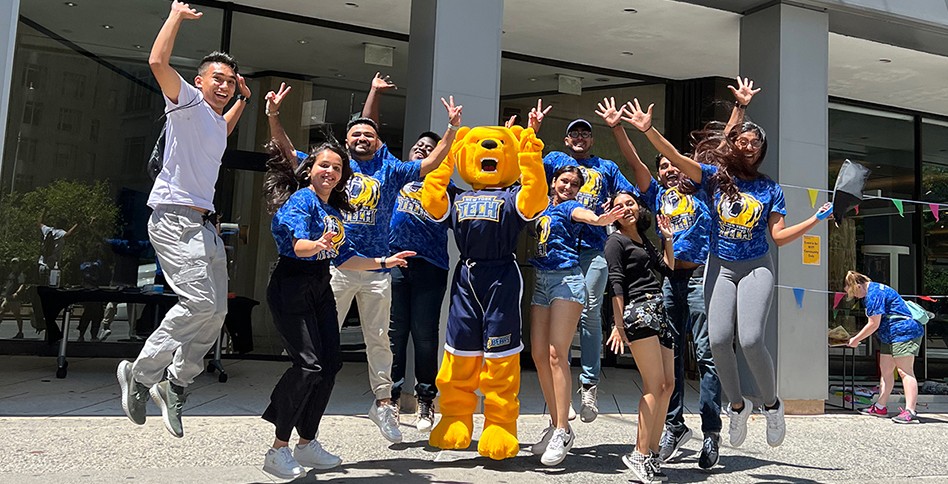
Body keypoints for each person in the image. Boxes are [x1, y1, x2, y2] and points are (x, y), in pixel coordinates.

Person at [622, 93, 834, 452]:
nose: (749, 147)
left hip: (756, 267)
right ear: (732, 145)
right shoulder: (712, 179)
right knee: (718, 341)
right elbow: (674, 157)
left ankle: (772, 405)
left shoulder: (769, 188)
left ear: (761, 150)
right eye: (743, 140)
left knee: (750, 339)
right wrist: (648, 131)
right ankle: (737, 406)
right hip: (720, 265)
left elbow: (778, 238)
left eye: (756, 143)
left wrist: (816, 219)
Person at [265, 76, 461, 443]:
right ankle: (305, 420)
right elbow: (289, 153)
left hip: (375, 266)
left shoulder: (390, 170)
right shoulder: (333, 168)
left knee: (379, 339)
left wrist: (451, 129)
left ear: (378, 141)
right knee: (325, 348)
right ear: (346, 141)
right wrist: (274, 115)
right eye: (355, 135)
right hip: (335, 267)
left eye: (368, 135)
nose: (361, 139)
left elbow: (432, 163)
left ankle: (384, 403)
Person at [116, 0, 251, 438]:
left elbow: (226, 129)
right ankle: (141, 372)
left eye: (231, 82)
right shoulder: (187, 102)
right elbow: (157, 60)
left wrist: (246, 100)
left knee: (215, 313)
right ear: (199, 82)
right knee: (197, 304)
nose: (225, 86)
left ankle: (176, 383)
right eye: (219, 79)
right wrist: (175, 15)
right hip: (175, 219)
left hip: (205, 226)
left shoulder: (214, 120)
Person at [260, 137, 415, 479]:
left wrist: (383, 260)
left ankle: (306, 441)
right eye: (323, 165)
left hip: (319, 285)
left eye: (336, 167)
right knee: (309, 365)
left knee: (330, 365)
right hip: (292, 284)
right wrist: (316, 244)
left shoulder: (333, 210)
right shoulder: (302, 200)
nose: (330, 171)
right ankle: (277, 449)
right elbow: (299, 247)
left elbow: (345, 258)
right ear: (309, 170)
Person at [524, 100, 640, 423]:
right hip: (559, 255)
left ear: (591, 140)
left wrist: (615, 214)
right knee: (557, 332)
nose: (579, 137)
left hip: (593, 251)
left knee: (589, 309)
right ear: (565, 140)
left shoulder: (606, 168)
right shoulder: (556, 161)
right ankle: (561, 396)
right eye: (574, 133)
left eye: (585, 134)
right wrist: (532, 130)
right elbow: (530, 167)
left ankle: (588, 384)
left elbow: (629, 195)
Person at [362, 73, 455, 431]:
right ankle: (392, 400)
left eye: (429, 146)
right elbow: (367, 130)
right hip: (394, 263)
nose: (421, 148)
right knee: (394, 333)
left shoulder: (448, 190)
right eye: (418, 145)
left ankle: (426, 401)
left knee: (426, 334)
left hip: (431, 266)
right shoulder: (394, 173)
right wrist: (374, 92)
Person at [529, 166, 623, 466]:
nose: (568, 187)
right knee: (539, 355)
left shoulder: (571, 206)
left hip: (566, 281)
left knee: (557, 354)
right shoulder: (539, 203)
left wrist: (601, 219)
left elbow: (587, 216)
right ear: (553, 182)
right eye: (564, 181)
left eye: (574, 184)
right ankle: (560, 424)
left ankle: (560, 431)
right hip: (541, 281)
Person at [603, 191, 676, 483]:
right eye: (619, 206)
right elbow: (616, 285)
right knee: (653, 384)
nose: (626, 208)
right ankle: (639, 452)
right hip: (638, 312)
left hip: (659, 310)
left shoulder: (643, 240)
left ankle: (653, 453)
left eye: (630, 203)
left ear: (639, 207)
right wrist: (618, 326)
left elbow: (666, 268)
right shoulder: (615, 241)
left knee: (667, 385)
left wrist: (667, 238)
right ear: (613, 214)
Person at [845, 271, 924, 424]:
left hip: (904, 332)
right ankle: (880, 406)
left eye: (852, 292)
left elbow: (873, 324)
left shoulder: (873, 295)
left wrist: (855, 339)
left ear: (858, 286)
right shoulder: (874, 290)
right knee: (886, 370)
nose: (853, 296)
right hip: (890, 334)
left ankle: (911, 411)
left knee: (905, 371)